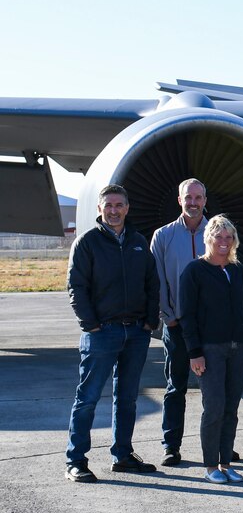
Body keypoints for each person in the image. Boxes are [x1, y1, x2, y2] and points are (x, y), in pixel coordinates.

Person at [64, 185, 160, 482]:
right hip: (102, 332)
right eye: (109, 205)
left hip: (136, 332)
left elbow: (151, 283)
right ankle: (75, 460)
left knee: (127, 398)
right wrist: (90, 324)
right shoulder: (87, 243)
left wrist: (149, 321)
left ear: (127, 208)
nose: (114, 210)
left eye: (120, 205)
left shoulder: (138, 242)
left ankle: (122, 455)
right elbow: (76, 287)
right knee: (88, 398)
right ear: (100, 209)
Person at [179, 215, 243, 484]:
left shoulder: (237, 269)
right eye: (218, 236)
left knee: (231, 408)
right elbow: (187, 316)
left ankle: (226, 462)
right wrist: (194, 353)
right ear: (208, 239)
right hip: (210, 350)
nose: (224, 242)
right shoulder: (194, 271)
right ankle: (211, 465)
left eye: (228, 237)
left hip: (239, 347)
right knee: (213, 407)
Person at [150, 177, 208, 467]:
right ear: (180, 200)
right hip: (178, 326)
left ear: (205, 201)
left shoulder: (219, 232)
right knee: (176, 388)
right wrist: (168, 318)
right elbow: (157, 280)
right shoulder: (163, 236)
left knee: (215, 390)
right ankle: (171, 446)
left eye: (198, 198)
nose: (193, 203)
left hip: (212, 329)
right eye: (189, 198)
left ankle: (220, 445)